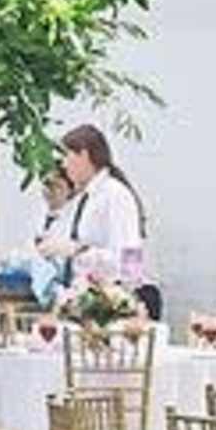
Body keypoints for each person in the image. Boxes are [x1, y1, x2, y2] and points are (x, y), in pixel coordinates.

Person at [31, 122, 149, 303]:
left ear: (84, 155)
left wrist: (78, 251)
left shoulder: (115, 195)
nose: (64, 165)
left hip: (112, 303)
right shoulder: (86, 198)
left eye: (66, 156)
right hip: (86, 298)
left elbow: (131, 266)